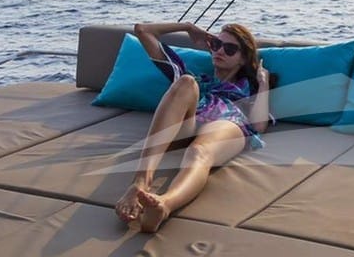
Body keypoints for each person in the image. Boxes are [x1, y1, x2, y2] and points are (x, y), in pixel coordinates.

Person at [114, 21, 274, 232]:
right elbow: (142, 30)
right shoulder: (198, 80)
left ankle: (164, 205)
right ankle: (141, 182)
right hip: (189, 122)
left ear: (243, 58)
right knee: (185, 82)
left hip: (228, 122)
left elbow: (259, 126)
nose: (220, 51)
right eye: (216, 44)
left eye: (230, 48)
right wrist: (188, 27)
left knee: (198, 151)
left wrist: (263, 82)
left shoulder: (246, 89)